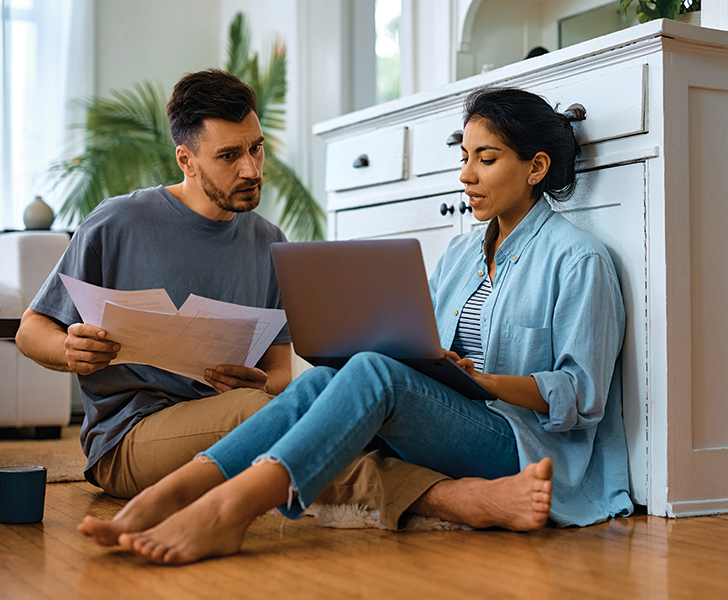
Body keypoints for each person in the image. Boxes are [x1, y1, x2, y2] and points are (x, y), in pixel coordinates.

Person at [77, 86, 634, 565]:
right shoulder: (461, 256)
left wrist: (485, 382)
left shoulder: (578, 259)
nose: (465, 175)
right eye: (463, 157)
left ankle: (229, 509)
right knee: (322, 380)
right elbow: (423, 346)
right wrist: (427, 360)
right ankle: (174, 493)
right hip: (459, 418)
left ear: (535, 167)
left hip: (525, 443)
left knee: (375, 373)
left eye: (485, 160)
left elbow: (582, 396)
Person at [17, 68, 452, 528]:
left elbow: (281, 373)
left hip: (234, 415)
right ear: (186, 160)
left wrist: (258, 382)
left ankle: (436, 480)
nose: (251, 169)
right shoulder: (118, 223)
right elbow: (30, 330)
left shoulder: (269, 241)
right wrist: (70, 350)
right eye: (229, 155)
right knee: (259, 416)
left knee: (314, 394)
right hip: (127, 439)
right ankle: (440, 500)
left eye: (256, 148)